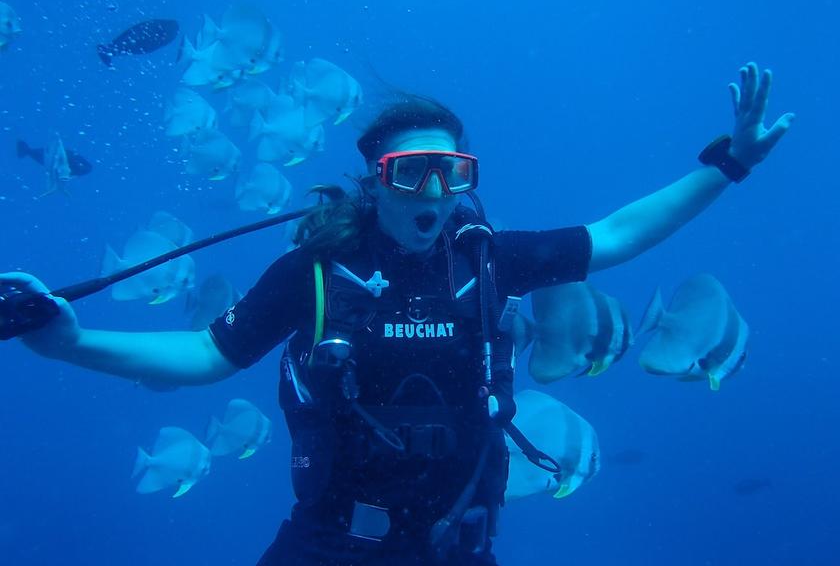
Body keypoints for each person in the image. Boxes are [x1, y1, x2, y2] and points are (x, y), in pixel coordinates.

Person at [1, 62, 794, 565]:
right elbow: (210, 356)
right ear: (373, 180)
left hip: (459, 542)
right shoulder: (315, 274)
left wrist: (727, 164)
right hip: (331, 543)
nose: (434, 194)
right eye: (410, 173)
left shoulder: (488, 259)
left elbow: (618, 234)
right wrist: (68, 343)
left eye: (451, 172)